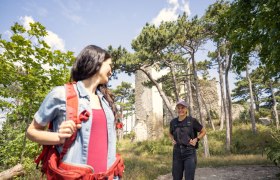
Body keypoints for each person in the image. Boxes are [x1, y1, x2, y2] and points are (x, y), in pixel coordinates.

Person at [27, 45, 123, 179]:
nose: (111, 71)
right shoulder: (61, 94)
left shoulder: (107, 103)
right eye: (109, 65)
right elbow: (31, 132)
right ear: (97, 62)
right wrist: (57, 137)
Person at [169, 99, 206, 180]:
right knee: (176, 177)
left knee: (189, 178)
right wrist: (172, 139)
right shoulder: (173, 122)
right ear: (176, 109)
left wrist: (196, 139)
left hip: (189, 153)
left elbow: (203, 131)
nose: (180, 110)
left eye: (182, 108)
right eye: (178, 108)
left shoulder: (192, 121)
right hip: (177, 152)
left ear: (186, 109)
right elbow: (170, 133)